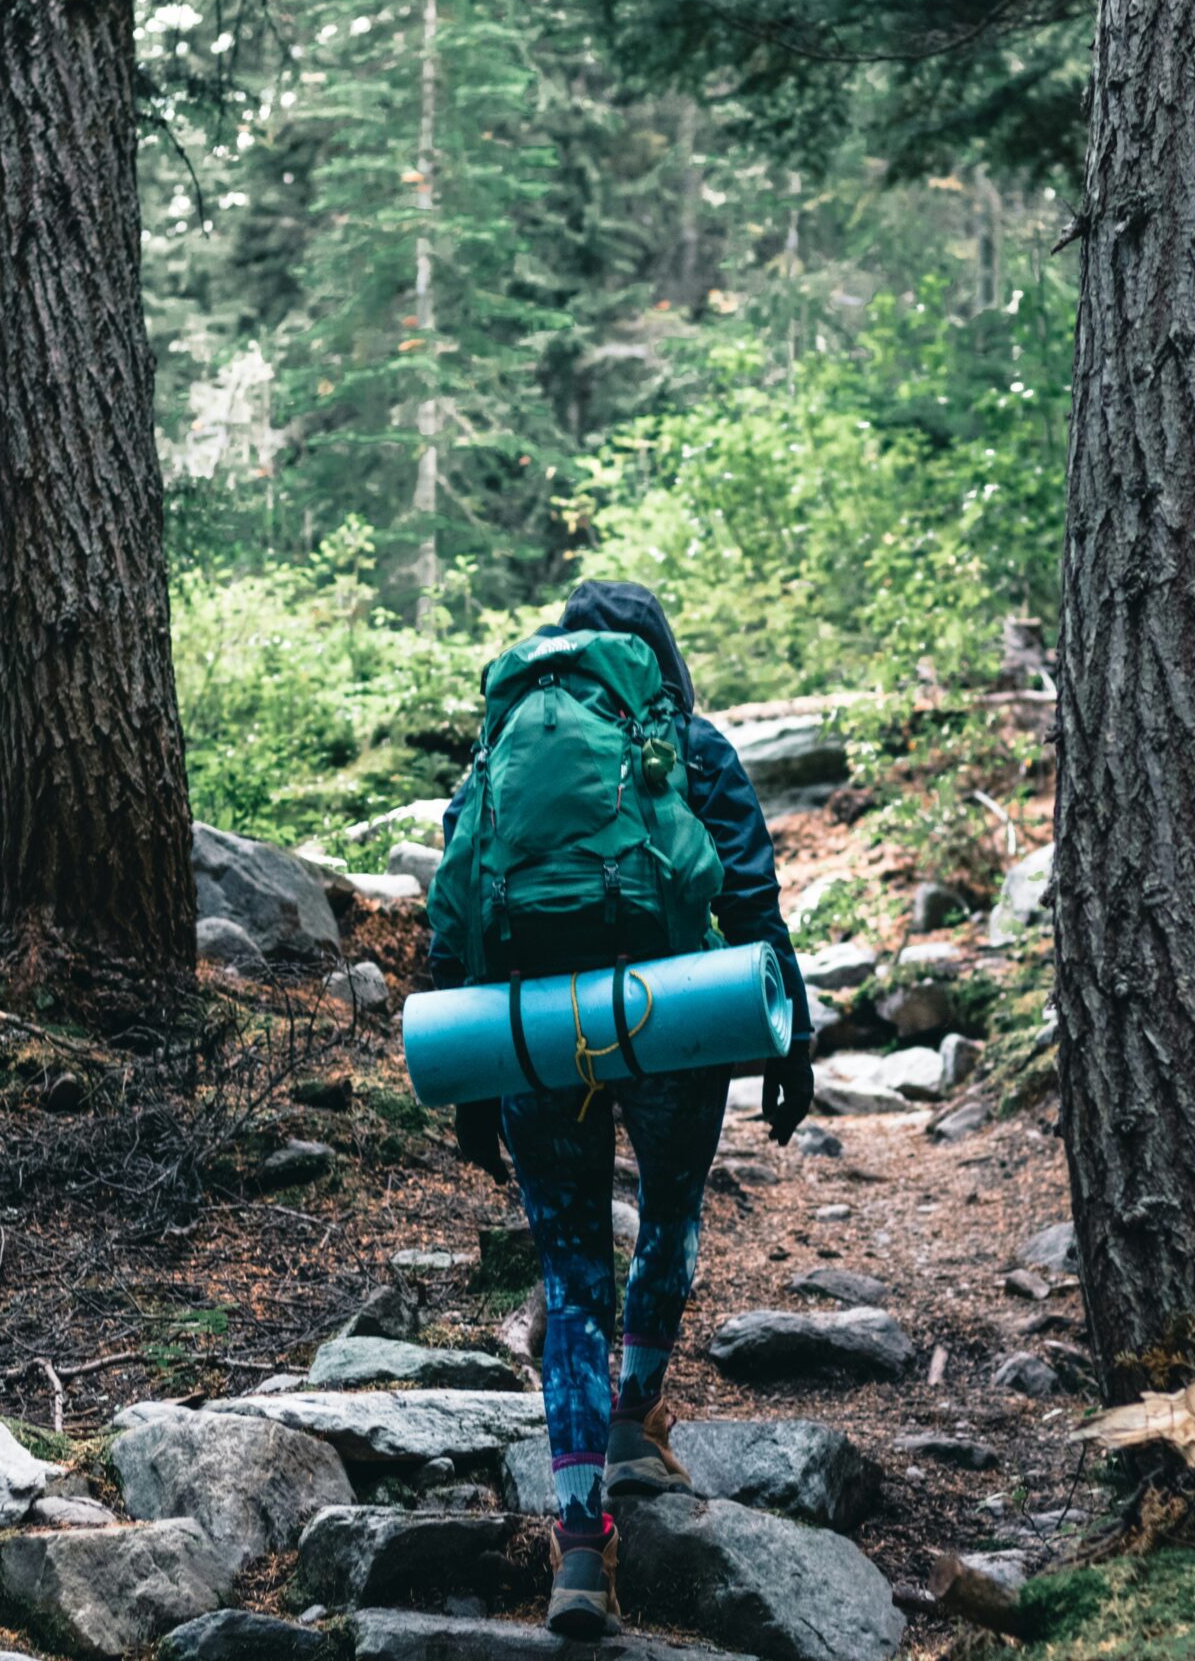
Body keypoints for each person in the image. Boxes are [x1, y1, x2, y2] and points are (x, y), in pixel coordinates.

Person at [427, 580, 816, 1638]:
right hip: (674, 1022)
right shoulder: (688, 742)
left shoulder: (508, 745)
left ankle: (581, 1552)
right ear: (659, 655)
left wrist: (469, 1076)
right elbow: (750, 898)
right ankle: (636, 1422)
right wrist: (793, 1039)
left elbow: (456, 899)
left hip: (533, 1034)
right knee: (673, 1218)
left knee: (568, 1277)